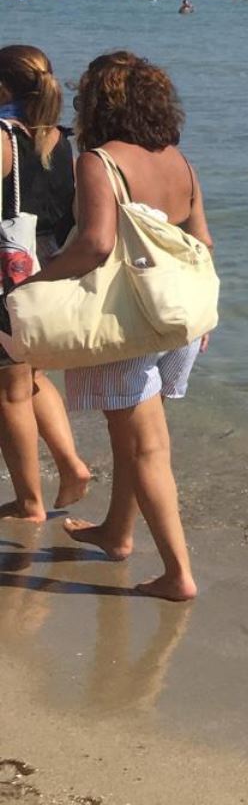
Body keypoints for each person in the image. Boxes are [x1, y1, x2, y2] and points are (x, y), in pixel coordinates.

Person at [30, 54, 210, 601]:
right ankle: (117, 532)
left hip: (128, 321)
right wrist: (204, 320)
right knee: (130, 438)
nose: (79, 103)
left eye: (86, 95)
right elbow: (202, 244)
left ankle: (177, 574)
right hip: (180, 318)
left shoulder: (99, 161)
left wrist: (34, 283)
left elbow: (96, 244)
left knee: (147, 448)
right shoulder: (179, 161)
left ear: (101, 104)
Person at [0, 47, 90, 521]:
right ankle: (71, 465)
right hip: (50, 265)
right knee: (32, 377)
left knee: (8, 392)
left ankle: (30, 502)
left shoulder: (3, 136)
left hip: (9, 272)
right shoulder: (59, 137)